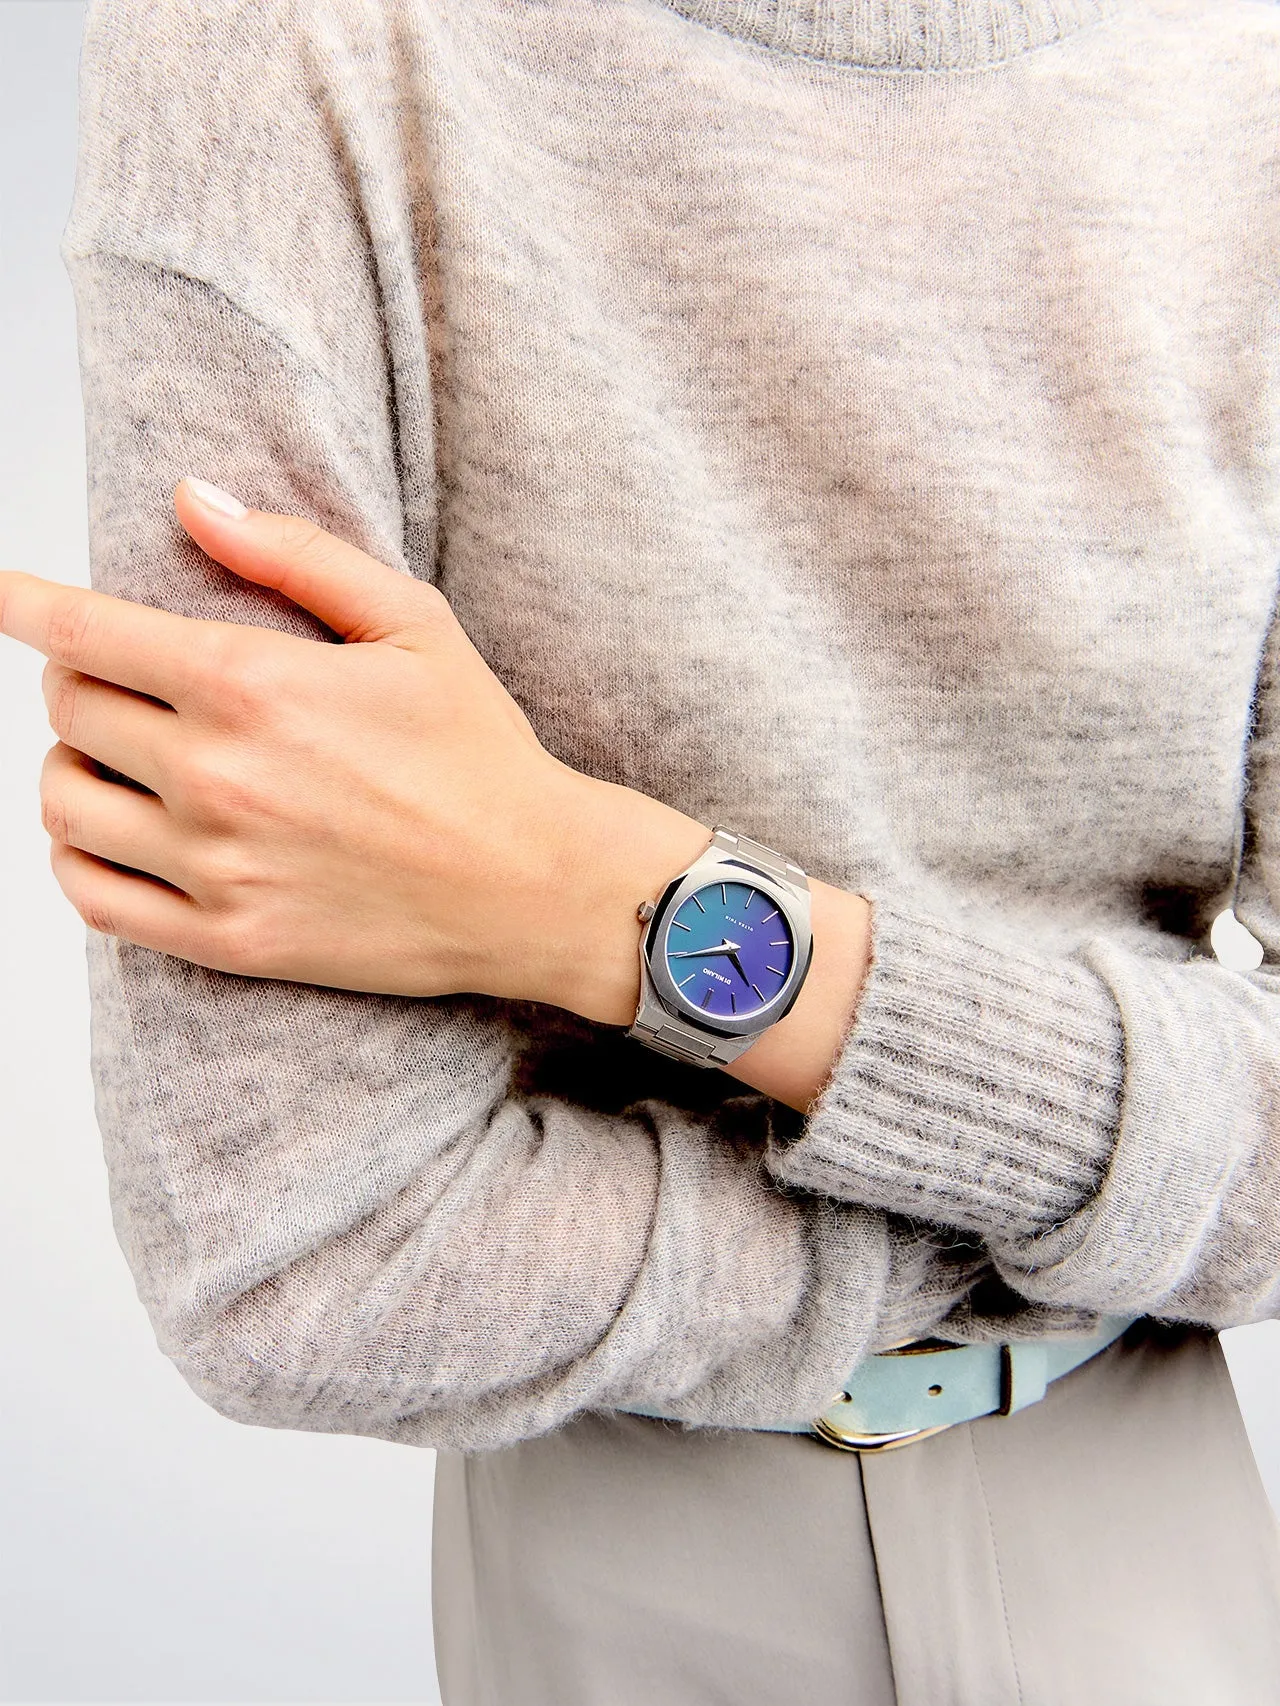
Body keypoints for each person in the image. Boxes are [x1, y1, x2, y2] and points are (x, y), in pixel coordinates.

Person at [2, 0, 1279, 1698]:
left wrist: (601, 900)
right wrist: (1113, 1198)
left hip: (1161, 1527)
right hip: (634, 1569)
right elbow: (300, 1259)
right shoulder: (284, 45)